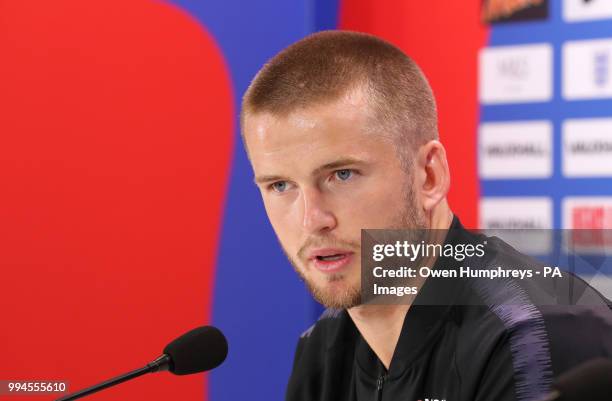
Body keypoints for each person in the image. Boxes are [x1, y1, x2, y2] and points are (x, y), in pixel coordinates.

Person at [240, 31, 612, 401]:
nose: (312, 220)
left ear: (429, 176)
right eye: (280, 186)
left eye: (342, 175)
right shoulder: (323, 348)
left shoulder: (534, 334)